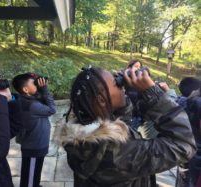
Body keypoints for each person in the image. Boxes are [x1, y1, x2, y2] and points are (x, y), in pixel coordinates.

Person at [58, 66, 196, 187]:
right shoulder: (119, 151)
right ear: (101, 100)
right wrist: (154, 96)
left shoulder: (84, 132)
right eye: (116, 84)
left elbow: (121, 120)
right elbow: (183, 145)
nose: (121, 86)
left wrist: (125, 90)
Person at [12, 73, 56, 187]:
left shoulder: (26, 100)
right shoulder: (32, 105)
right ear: (26, 89)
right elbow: (52, 109)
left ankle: (34, 184)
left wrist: (40, 89)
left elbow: (41, 100)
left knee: (33, 172)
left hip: (34, 145)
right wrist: (44, 90)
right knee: (30, 176)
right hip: (34, 148)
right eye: (34, 83)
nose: (37, 85)